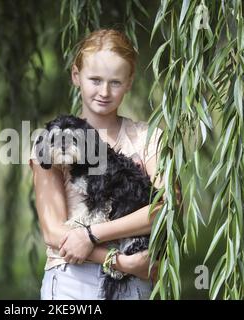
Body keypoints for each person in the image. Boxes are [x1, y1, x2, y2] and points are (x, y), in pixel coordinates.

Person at [29, 29, 163, 300]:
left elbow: (163, 209)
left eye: (115, 82)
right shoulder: (52, 143)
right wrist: (119, 261)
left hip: (134, 284)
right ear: (76, 76)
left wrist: (91, 234)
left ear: (129, 82)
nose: (104, 91)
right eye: (95, 80)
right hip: (73, 280)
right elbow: (54, 232)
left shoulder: (149, 138)